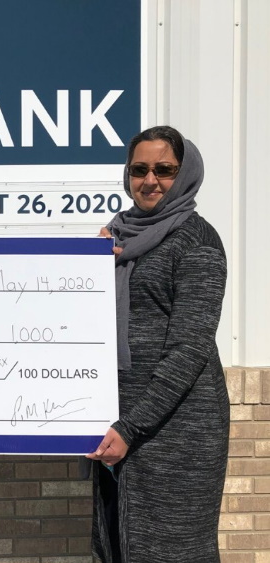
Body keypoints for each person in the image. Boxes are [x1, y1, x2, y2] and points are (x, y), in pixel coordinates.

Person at [85, 126, 229, 562]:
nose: (150, 180)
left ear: (185, 174)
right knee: (118, 543)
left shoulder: (197, 243)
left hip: (175, 431)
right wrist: (86, 268)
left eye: (164, 170)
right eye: (139, 169)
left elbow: (189, 350)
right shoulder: (117, 238)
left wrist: (132, 428)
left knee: (171, 549)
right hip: (118, 424)